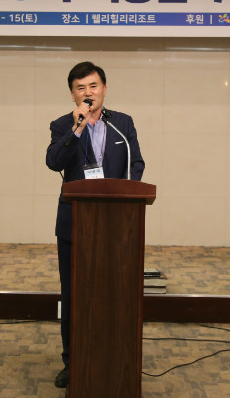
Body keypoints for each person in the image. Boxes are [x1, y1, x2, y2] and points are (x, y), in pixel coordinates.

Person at [45, 61, 145, 388]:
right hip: (74, 223)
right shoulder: (63, 125)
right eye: (81, 88)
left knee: (115, 293)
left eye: (93, 86)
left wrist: (126, 197)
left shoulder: (122, 124)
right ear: (73, 94)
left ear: (104, 89)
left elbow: (136, 163)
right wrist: (76, 129)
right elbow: (53, 162)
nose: (88, 92)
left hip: (117, 225)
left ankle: (114, 357)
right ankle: (72, 362)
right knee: (74, 295)